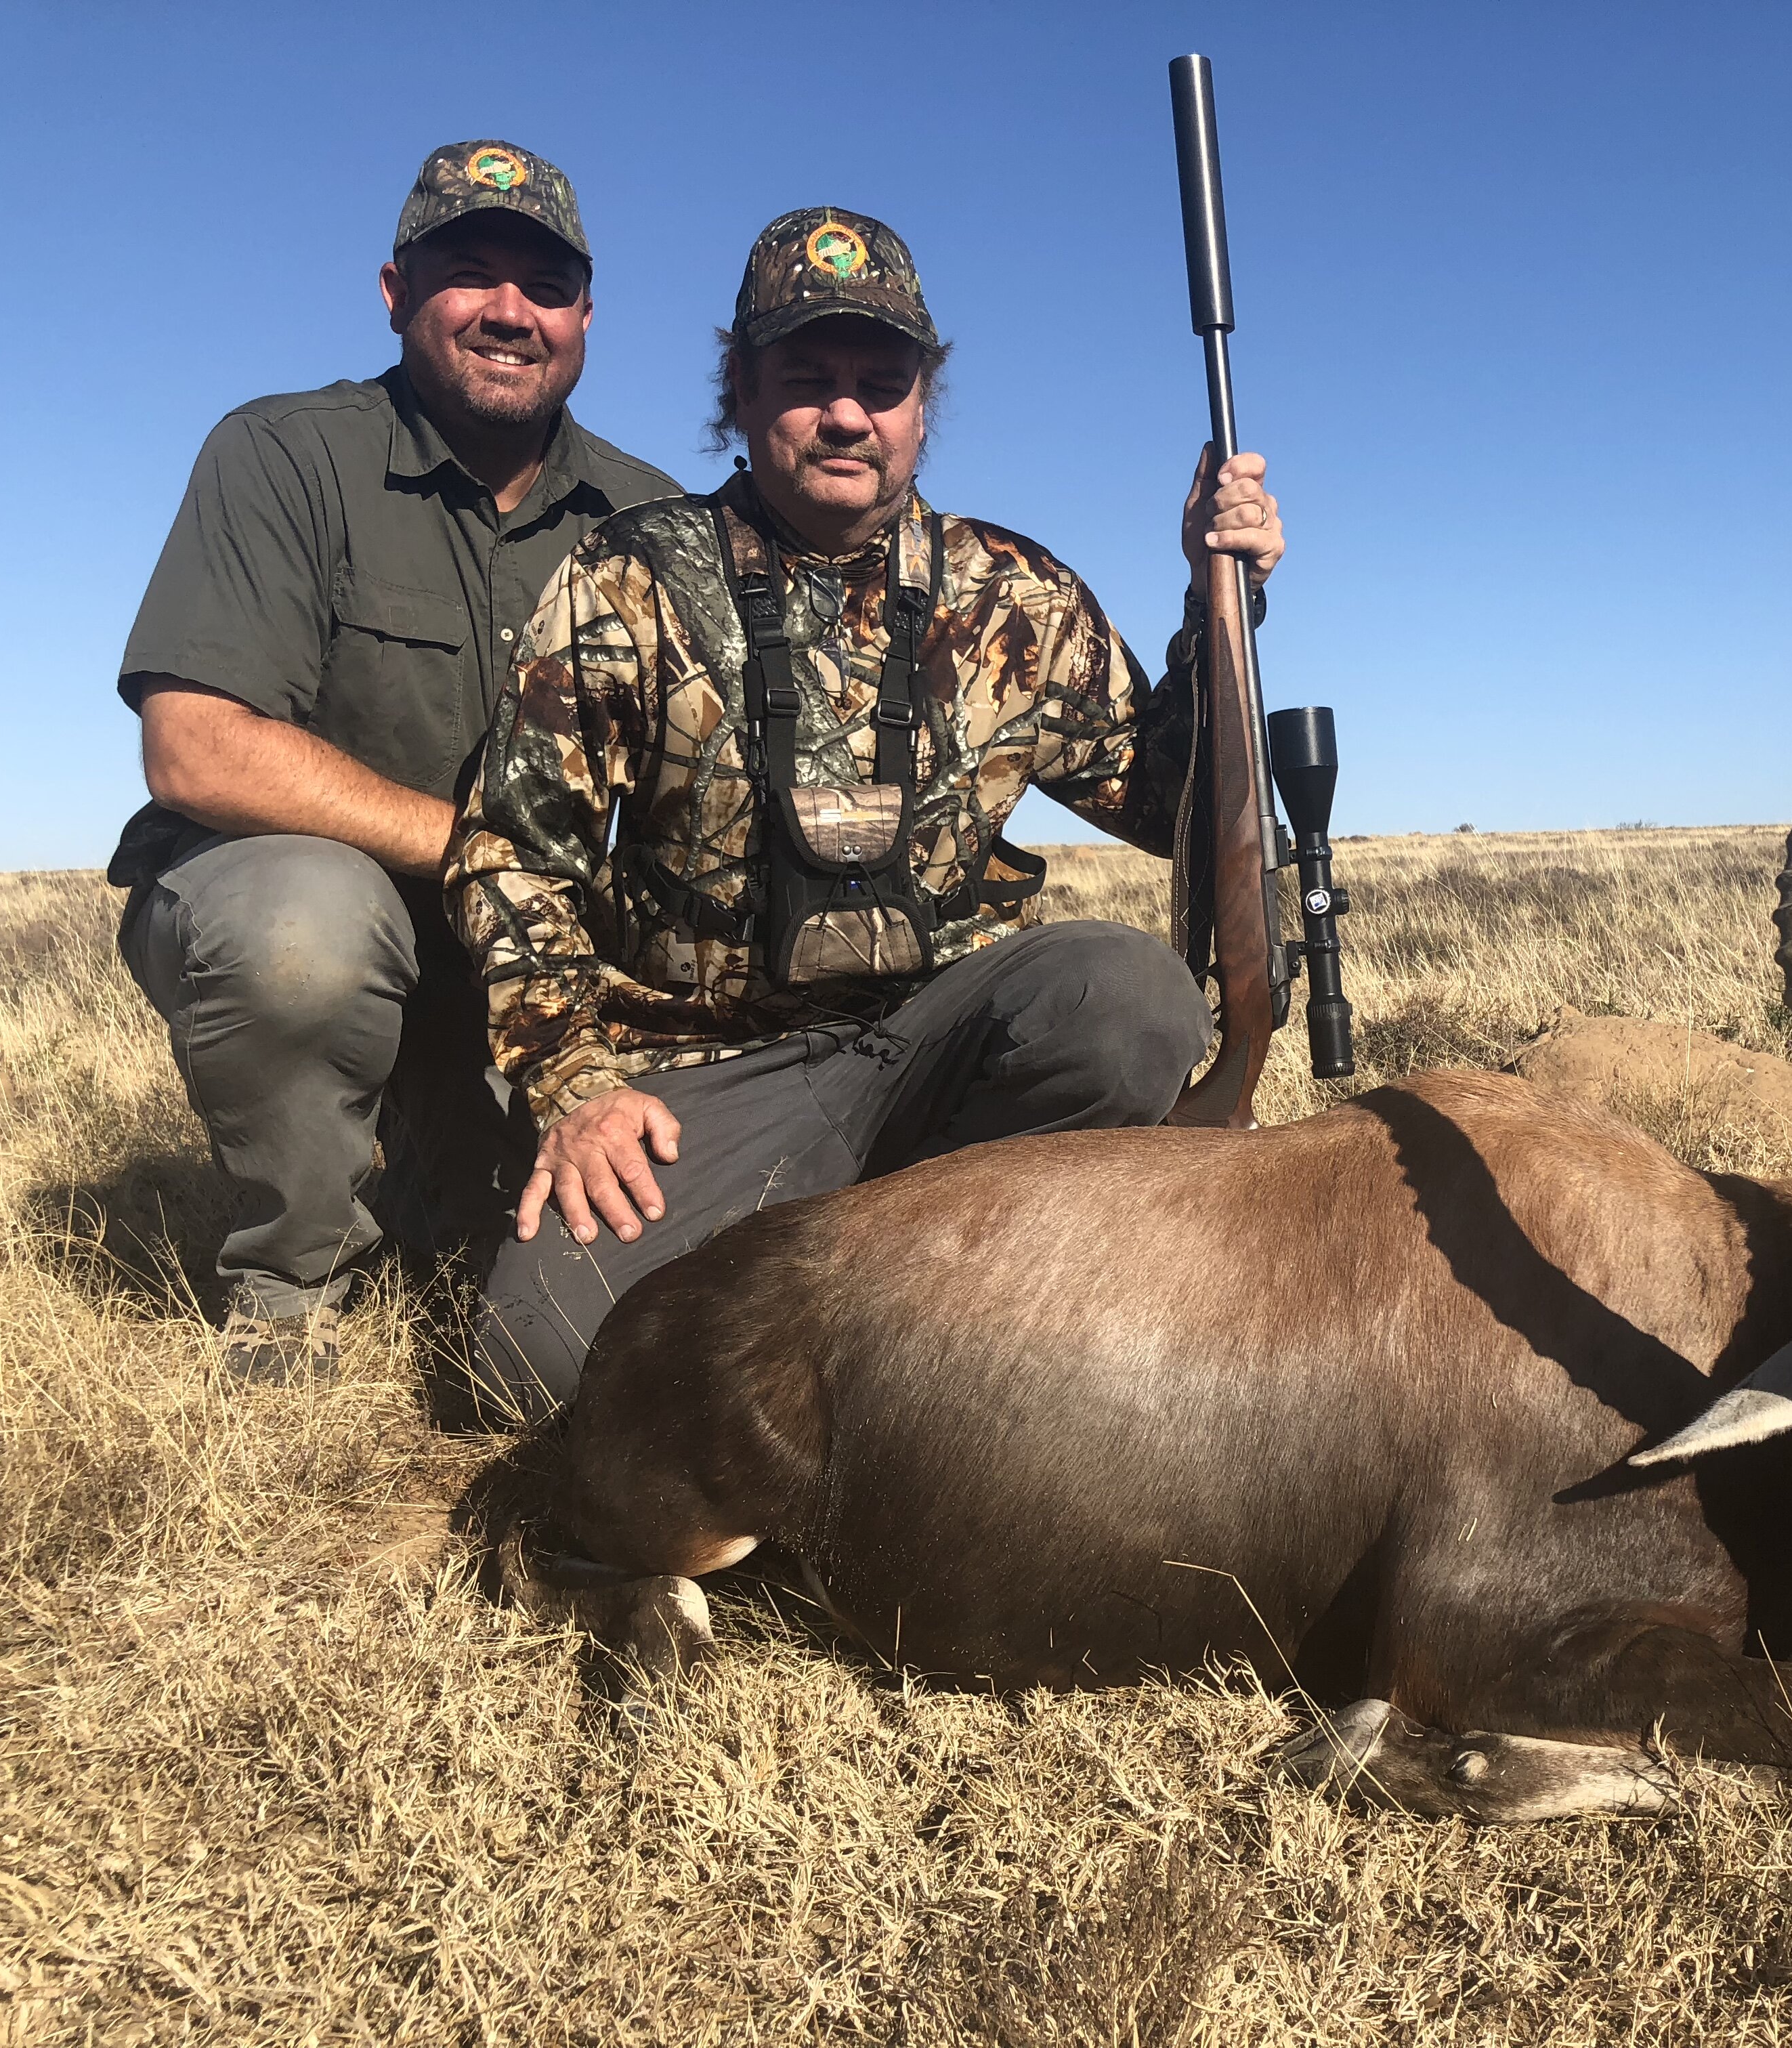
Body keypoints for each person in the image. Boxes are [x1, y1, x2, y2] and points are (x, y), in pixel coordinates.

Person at [447, 206, 1285, 1420]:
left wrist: (1218, 614)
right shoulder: (628, 578)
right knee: (533, 1370)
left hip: (945, 1061)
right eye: (808, 378)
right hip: (705, 1074)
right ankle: (915, 1302)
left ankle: (948, 1312)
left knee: (1126, 994)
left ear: (921, 404)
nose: (848, 414)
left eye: (880, 383)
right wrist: (575, 1085)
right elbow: (510, 856)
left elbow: (1172, 808)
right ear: (739, 390)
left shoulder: (1015, 592)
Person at [112, 142, 680, 1381]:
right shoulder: (283, 453)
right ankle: (292, 1289)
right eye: (467, 273)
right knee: (303, 924)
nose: (508, 311)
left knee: (513, 1250)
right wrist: (486, 858)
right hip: (333, 917)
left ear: (585, 313)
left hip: (526, 962)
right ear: (393, 291)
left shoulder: (654, 519)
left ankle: (433, 1181)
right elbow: (195, 746)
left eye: (545, 284)